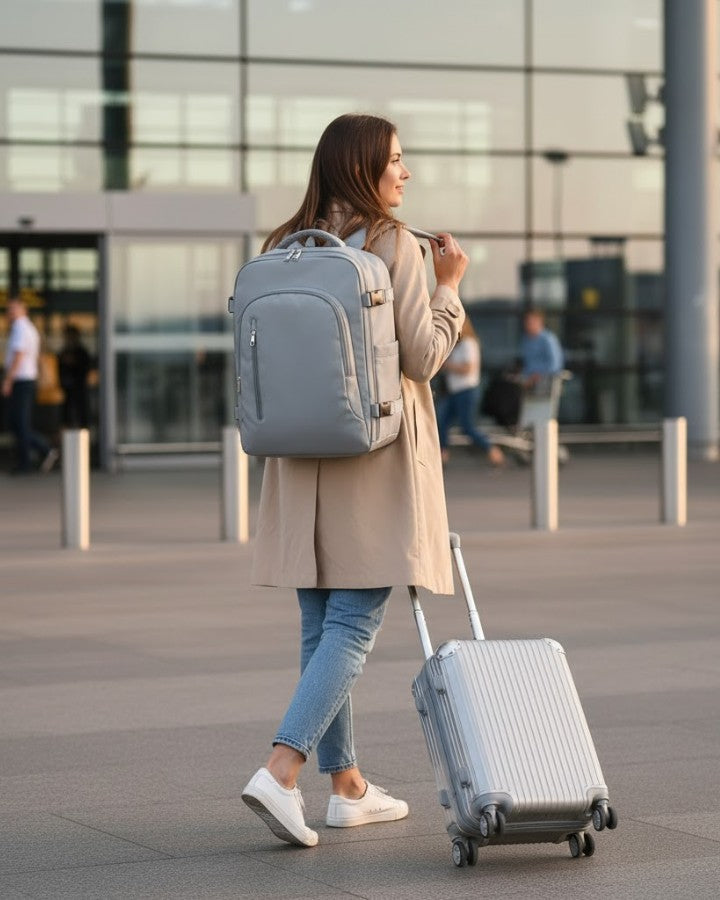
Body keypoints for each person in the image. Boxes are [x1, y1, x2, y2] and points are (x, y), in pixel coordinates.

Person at [241, 114, 468, 848]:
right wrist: (450, 287)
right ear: (364, 166)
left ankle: (346, 788)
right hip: (372, 457)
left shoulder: (285, 245)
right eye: (397, 160)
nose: (406, 174)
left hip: (300, 460)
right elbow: (423, 357)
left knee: (320, 626)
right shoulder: (393, 243)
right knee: (355, 622)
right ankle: (281, 770)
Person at [436, 318, 504, 466]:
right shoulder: (455, 345)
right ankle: (442, 454)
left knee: (467, 427)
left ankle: (491, 449)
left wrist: (447, 366)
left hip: (466, 391)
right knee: (441, 421)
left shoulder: (468, 344)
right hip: (454, 391)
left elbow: (468, 368)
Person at [2, 297, 58, 474]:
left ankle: (36, 456)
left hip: (22, 381)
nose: (9, 313)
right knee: (17, 422)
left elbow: (18, 356)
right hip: (25, 381)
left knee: (20, 422)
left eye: (12, 310)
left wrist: (8, 380)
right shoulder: (28, 328)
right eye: (8, 310)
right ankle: (35, 455)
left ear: (22, 310)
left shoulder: (20, 328)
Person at [58, 324, 92, 428]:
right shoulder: (64, 351)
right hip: (66, 388)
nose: (68, 338)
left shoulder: (82, 352)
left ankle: (84, 434)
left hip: (79, 387)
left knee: (81, 411)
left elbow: (85, 368)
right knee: (67, 413)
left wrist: (74, 362)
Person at [520, 307, 564, 386]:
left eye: (530, 322)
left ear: (539, 322)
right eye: (526, 322)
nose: (527, 325)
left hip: (546, 382)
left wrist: (538, 375)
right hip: (529, 382)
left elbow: (555, 364)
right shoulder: (526, 340)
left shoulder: (548, 339)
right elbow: (527, 364)